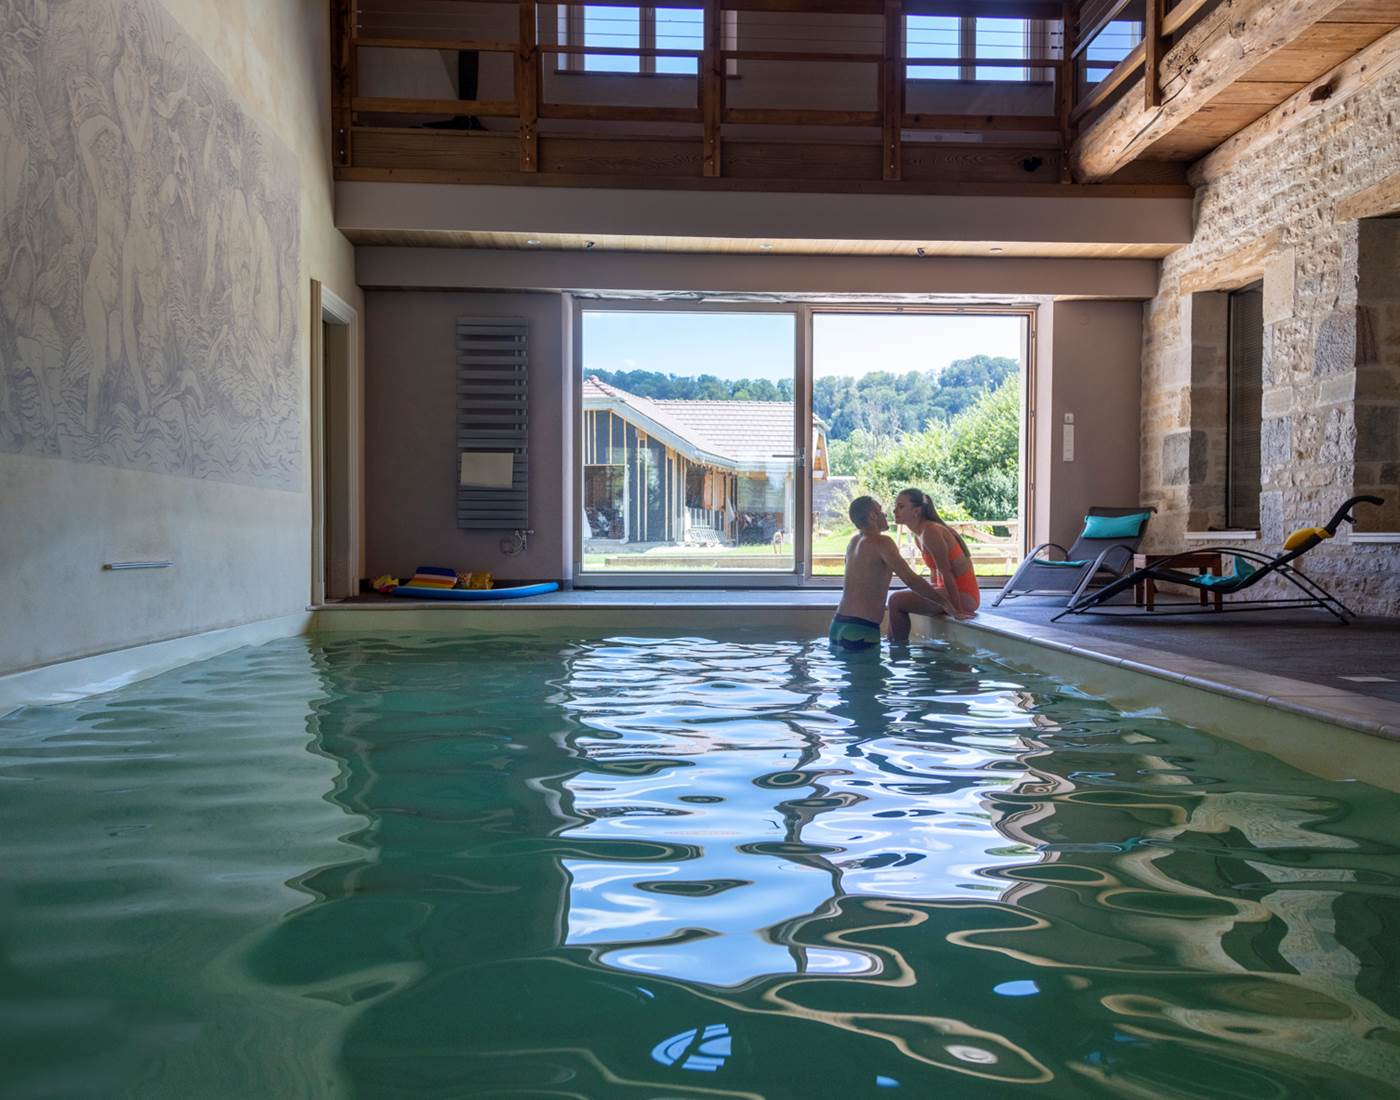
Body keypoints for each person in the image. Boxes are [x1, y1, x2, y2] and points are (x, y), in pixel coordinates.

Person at [829, 495, 965, 653]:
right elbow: (910, 579)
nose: (886, 515)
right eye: (881, 511)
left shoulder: (852, 543)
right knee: (870, 678)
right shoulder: (883, 542)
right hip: (861, 630)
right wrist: (945, 603)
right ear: (873, 516)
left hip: (837, 625)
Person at [888, 488, 980, 642]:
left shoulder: (931, 532)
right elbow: (934, 573)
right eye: (896, 506)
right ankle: (894, 643)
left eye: (901, 506)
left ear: (916, 511)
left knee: (896, 600)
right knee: (901, 597)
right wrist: (933, 594)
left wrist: (956, 610)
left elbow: (946, 573)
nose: (894, 510)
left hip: (964, 596)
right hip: (949, 592)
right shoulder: (919, 534)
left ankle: (897, 650)